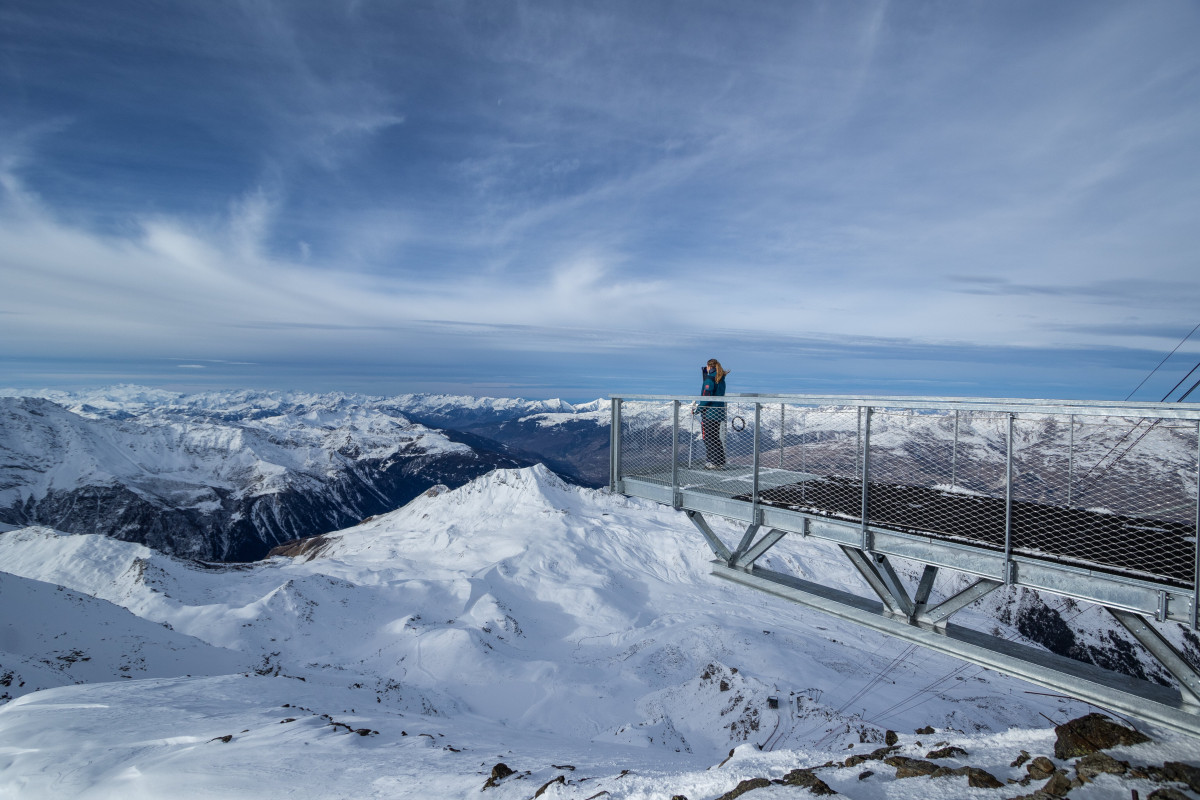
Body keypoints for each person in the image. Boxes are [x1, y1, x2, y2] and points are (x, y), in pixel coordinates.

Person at [697, 358, 728, 468]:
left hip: (709, 413)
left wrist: (698, 409)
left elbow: (706, 396)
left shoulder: (709, 379)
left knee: (709, 438)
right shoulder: (720, 379)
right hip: (718, 412)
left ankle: (714, 462)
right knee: (715, 437)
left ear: (709, 367)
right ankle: (720, 461)